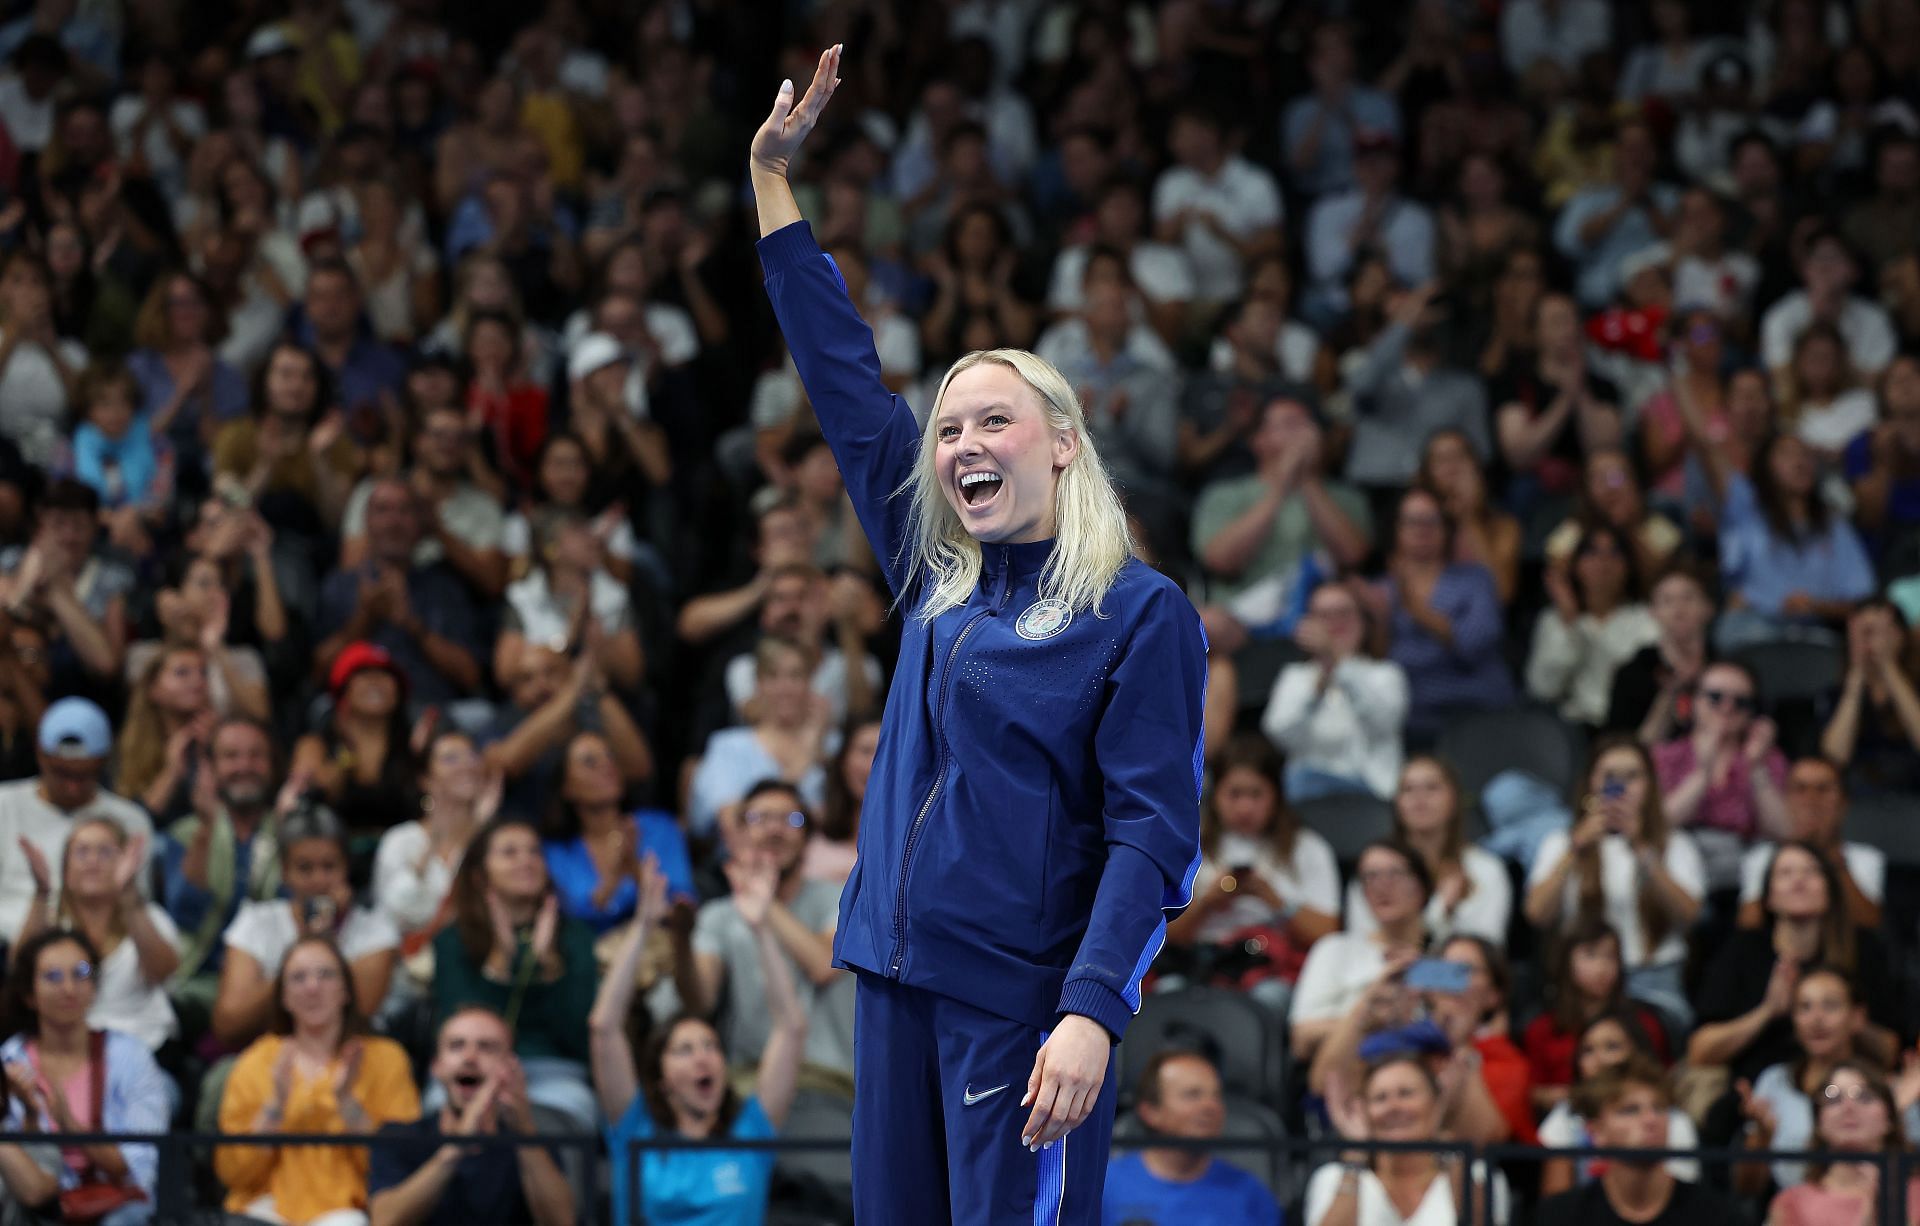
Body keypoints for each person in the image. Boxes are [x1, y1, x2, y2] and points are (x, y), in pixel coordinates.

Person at [753, 50, 1208, 1220]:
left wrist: (1092, 1009)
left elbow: (1154, 835)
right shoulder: (936, 577)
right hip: (892, 984)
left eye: (991, 417)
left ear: (1061, 440)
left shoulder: (1139, 609)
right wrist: (771, 188)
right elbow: (847, 382)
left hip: (1022, 1007)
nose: (960, 443)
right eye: (948, 423)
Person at [593, 848, 805, 1226]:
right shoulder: (635, 1127)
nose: (703, 1058)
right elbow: (604, 1027)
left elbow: (791, 1028)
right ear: (660, 1077)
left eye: (710, 1046)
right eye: (684, 1050)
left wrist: (762, 929)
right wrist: (642, 927)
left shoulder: (751, 1132)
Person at [216, 937, 421, 1226]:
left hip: (346, 1208)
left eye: (325, 975)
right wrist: (275, 1105)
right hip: (265, 1206)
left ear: (346, 990)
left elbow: (401, 1167)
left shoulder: (386, 1059)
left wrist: (348, 1104)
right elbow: (232, 1173)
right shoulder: (256, 1062)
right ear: (284, 996)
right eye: (298, 978)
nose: (312, 987)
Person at [431, 818, 599, 1135]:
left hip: (553, 1075)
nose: (526, 861)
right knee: (435, 1111)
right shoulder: (453, 941)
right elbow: (454, 1024)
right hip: (470, 1072)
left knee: (574, 1113)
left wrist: (548, 967)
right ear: (480, 876)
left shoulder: (575, 939)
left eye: (535, 852)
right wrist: (499, 965)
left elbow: (578, 1037)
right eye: (509, 852)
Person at [1525, 737, 1704, 1026]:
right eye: (1609, 776)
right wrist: (1576, 848)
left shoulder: (1675, 844)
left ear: (1649, 785)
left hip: (1653, 981)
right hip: (1579, 985)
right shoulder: (1560, 843)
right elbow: (1537, 913)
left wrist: (1642, 850)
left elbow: (1690, 914)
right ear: (1591, 782)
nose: (1620, 787)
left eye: (1632, 776)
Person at [1690, 843, 1900, 1086]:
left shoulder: (1862, 948)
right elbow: (1699, 1051)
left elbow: (1890, 1052)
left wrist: (1847, 1019)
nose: (1799, 881)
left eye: (1811, 872)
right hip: (1756, 1089)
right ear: (1767, 897)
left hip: (1844, 1088)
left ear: (1830, 890)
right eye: (1786, 873)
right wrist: (1767, 1011)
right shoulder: (1742, 949)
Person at [0, 929, 169, 1226]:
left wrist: (70, 1126)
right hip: (36, 1204)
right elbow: (23, 1174)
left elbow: (137, 1171)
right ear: (29, 995)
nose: (69, 988)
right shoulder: (9, 1062)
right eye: (52, 977)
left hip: (115, 1204)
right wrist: (30, 1114)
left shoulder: (131, 1057)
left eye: (81, 973)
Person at [1162, 734, 1339, 1012]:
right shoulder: (1188, 844)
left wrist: (1276, 900)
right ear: (1215, 794)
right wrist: (1207, 903)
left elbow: (1328, 934)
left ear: (1276, 795)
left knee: (1271, 999)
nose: (1245, 807)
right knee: (1168, 993)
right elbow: (1163, 935)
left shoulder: (1308, 848)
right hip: (1198, 964)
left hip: (1272, 969)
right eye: (1234, 794)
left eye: (1256, 794)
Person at [365, 1006, 574, 1226]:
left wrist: (524, 1133)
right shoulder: (400, 1137)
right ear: (437, 1066)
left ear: (510, 1065)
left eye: (487, 1047)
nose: (470, 1057)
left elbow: (563, 1221)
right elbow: (384, 1220)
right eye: (456, 1046)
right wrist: (457, 1145)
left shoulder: (532, 1142)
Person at [212, 803, 399, 1046]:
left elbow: (360, 1013)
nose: (319, 880)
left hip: (350, 1053)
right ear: (285, 872)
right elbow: (229, 1024)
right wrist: (306, 946)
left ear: (346, 867)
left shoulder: (376, 930)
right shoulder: (255, 922)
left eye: (329, 866)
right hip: (271, 1052)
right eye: (305, 868)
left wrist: (324, 939)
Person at [1733, 968, 1919, 1193]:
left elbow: (1909, 1182)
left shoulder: (1892, 1089)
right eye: (1804, 1007)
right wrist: (1762, 1140)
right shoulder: (1774, 1081)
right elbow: (1747, 1189)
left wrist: (1893, 1106)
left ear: (1857, 1017)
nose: (1816, 1019)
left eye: (1830, 1006)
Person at [1360, 488, 1514, 743]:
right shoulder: (1380, 591)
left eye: (1432, 521)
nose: (1422, 529)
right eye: (1412, 521)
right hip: (1412, 718)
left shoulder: (1475, 580)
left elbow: (1474, 644)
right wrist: (1380, 622)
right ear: (1395, 530)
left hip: (1478, 707)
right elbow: (1378, 669)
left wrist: (1415, 608)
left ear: (1446, 529)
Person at [14, 816, 177, 1054]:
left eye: (105, 852)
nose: (92, 861)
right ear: (66, 869)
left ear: (126, 862)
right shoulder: (49, 924)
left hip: (145, 1046)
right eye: (82, 852)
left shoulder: (150, 916)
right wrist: (42, 892)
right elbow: (20, 974)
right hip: (65, 1051)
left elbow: (162, 972)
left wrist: (129, 897)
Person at [0, 697, 152, 944]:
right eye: (62, 773)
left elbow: (137, 908)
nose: (72, 787)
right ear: (41, 755)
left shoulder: (131, 820)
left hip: (100, 946)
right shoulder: (3, 804)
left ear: (102, 762)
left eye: (83, 775)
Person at [159, 716, 286, 1007]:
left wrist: (286, 832)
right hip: (193, 985)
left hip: (266, 990)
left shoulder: (289, 831)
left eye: (256, 756)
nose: (244, 767)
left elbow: (289, 909)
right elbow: (184, 913)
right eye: (231, 756)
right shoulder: (186, 832)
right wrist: (206, 827)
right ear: (210, 768)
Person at [1308, 1053, 1510, 1225]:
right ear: (1365, 1111)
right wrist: (1355, 1156)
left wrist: (1448, 1148)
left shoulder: (1479, 1175)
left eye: (1406, 1094)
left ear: (1436, 1103)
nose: (1393, 1107)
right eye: (1380, 1098)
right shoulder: (1334, 1178)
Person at [1534, 1058, 1739, 1226]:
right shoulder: (1561, 1216)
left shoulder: (1716, 1217)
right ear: (1596, 1132)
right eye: (1630, 1110)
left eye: (1659, 1108)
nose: (1651, 1120)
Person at [373, 730, 501, 990]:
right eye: (451, 758)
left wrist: (478, 829)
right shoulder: (402, 840)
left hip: (481, 970)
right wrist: (431, 847)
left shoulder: (496, 841)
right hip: (408, 978)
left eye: (472, 755)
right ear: (426, 780)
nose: (466, 765)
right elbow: (399, 912)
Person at [1099, 1050, 1284, 1226]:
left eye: (1216, 1096)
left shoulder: (1250, 1194)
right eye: (1192, 1094)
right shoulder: (1104, 1187)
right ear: (1150, 1111)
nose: (1210, 1106)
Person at [1262, 583, 1408, 801]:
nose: (1335, 622)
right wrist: (1316, 690)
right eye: (1324, 615)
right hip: (1308, 792)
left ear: (1363, 621)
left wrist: (1338, 664)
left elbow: (1382, 725)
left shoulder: (1386, 674)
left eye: (1343, 612)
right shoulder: (1295, 677)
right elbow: (1280, 735)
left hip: (1374, 791)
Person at [1290, 839, 1432, 1063]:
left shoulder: (1445, 955)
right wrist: (1369, 1020)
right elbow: (1303, 1037)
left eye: (1394, 873)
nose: (1381, 886)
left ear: (1422, 885)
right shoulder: (1335, 950)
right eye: (1370, 876)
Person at [1345, 757, 1511, 948]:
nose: (1419, 797)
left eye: (1432, 787)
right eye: (1408, 789)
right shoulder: (1374, 870)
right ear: (1396, 802)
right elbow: (1363, 950)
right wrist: (1439, 912)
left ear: (1455, 798)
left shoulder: (1486, 870)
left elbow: (1483, 958)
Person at [1652, 659, 1789, 889]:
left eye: (1740, 702)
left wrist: (1756, 769)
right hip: (1676, 866)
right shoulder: (1665, 756)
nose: (1727, 707)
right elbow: (1656, 823)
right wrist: (1703, 774)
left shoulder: (1769, 759)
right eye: (1715, 697)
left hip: (1745, 875)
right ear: (1694, 701)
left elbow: (1784, 833)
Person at [541, 729, 693, 935]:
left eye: (610, 756)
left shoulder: (659, 827)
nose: (607, 765)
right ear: (565, 786)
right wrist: (615, 876)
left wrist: (635, 869)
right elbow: (572, 921)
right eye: (590, 762)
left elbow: (682, 907)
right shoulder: (556, 850)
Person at [686, 636, 832, 841]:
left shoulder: (834, 747)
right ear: (758, 683)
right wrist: (804, 758)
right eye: (773, 676)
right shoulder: (728, 747)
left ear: (810, 681)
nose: (785, 687)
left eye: (796, 675)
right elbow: (731, 824)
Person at [1523, 922, 1672, 1112]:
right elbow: (1530, 1090)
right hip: (1565, 1120)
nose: (1602, 967)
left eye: (1611, 956)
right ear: (1566, 961)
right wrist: (1553, 1096)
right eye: (1590, 955)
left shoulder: (1645, 1023)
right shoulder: (1542, 1028)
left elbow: (1662, 1080)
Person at [1538, 1018, 1698, 1195]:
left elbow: (1681, 1198)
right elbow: (1557, 1203)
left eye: (1612, 1047)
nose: (1600, 1059)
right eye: (1588, 1050)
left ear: (1636, 1053)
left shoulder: (1672, 1120)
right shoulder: (1565, 1115)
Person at [1527, 524, 1660, 730]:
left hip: (1632, 726)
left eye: (1614, 553)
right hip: (1573, 730)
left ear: (1628, 566)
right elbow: (1543, 689)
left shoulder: (1647, 618)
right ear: (1576, 565)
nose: (1603, 562)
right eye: (1592, 552)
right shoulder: (1554, 620)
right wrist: (1570, 622)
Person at [290, 641, 422, 838]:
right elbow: (309, 797)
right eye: (364, 674)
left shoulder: (416, 744)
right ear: (344, 691)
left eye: (386, 674)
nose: (376, 681)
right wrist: (346, 756)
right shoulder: (315, 745)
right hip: (331, 857)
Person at [1765, 1061, 1920, 1224]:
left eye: (1865, 1097)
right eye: (1833, 1099)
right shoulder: (1793, 1202)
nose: (1848, 1107)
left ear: (1890, 1118)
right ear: (1818, 1123)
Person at [1737, 756, 1882, 931]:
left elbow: (1869, 923)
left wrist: (1828, 854)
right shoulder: (1762, 856)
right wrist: (1792, 849)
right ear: (1786, 800)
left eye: (1823, 789)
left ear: (1844, 804)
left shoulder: (1865, 857)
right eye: (1800, 789)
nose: (1811, 799)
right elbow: (1749, 925)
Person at [1817, 600, 1920, 793]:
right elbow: (1835, 758)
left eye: (1880, 632)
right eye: (1864, 633)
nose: (1872, 641)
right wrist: (1857, 672)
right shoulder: (1835, 694)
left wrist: (1887, 665)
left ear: (1901, 635)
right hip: (1856, 800)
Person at [1606, 565, 1713, 745]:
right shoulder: (1632, 674)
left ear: (1708, 608)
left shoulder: (1729, 670)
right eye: (1667, 600)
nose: (1679, 610)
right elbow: (1621, 750)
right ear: (1653, 612)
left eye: (1688, 598)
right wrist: (1668, 696)